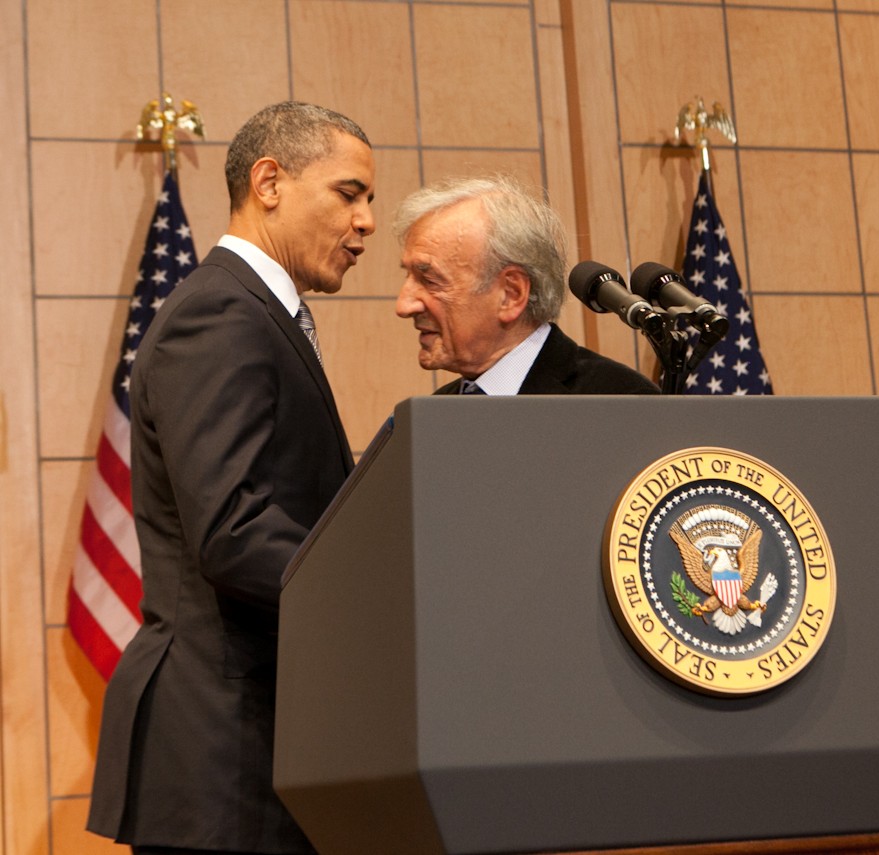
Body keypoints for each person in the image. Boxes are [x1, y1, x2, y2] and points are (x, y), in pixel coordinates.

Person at [87, 101, 376, 855]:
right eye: (349, 193)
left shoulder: (252, 312)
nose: (368, 221)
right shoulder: (220, 312)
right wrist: (382, 595)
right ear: (270, 181)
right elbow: (231, 529)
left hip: (255, 745)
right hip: (221, 752)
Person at [394, 175, 660, 395]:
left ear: (511, 294)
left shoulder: (619, 403)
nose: (403, 305)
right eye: (409, 277)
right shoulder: (436, 414)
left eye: (429, 280)